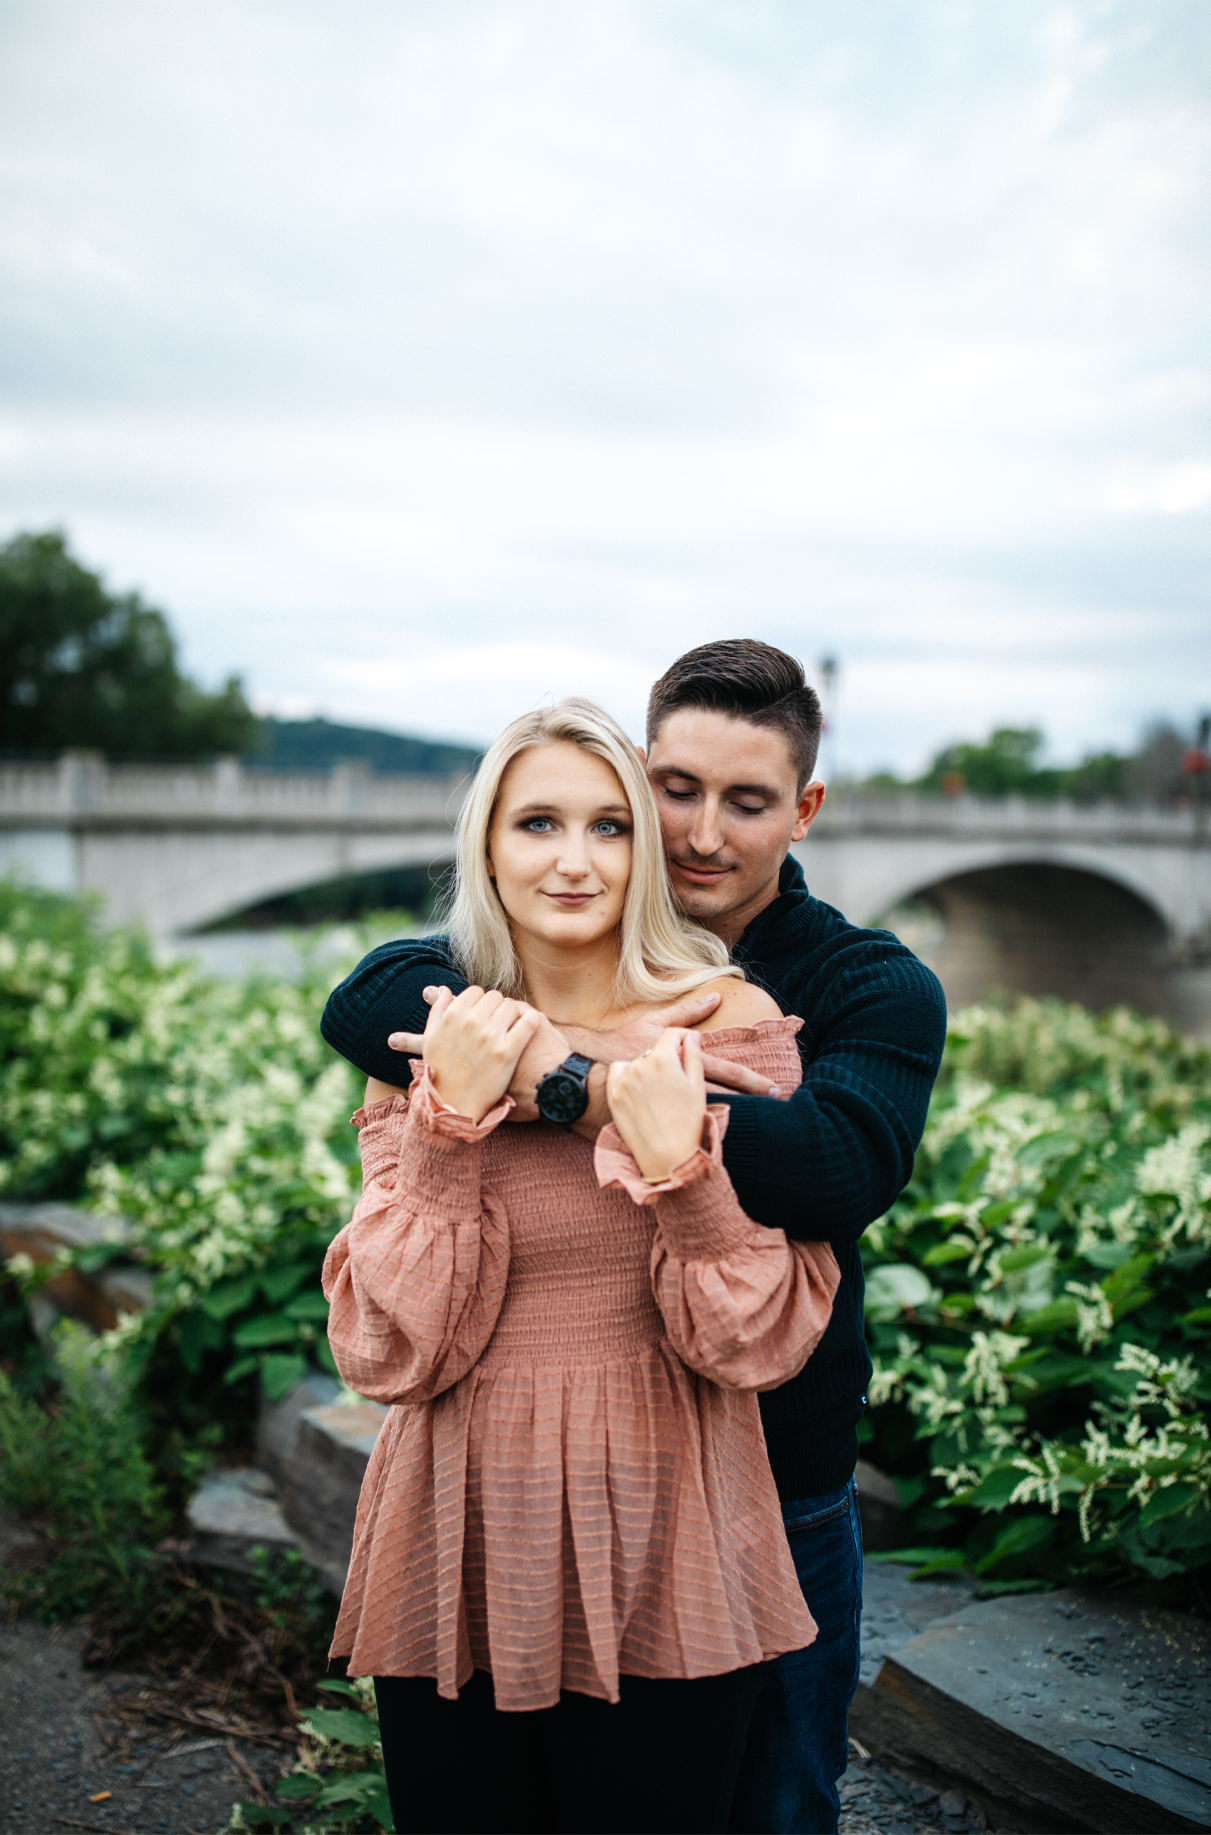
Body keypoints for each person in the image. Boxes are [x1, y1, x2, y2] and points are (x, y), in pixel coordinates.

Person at [321, 641, 949, 1834]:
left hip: (749, 1474)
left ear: (802, 808)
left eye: (747, 799)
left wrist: (582, 1088)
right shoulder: (447, 1004)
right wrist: (460, 1097)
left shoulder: (849, 989)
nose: (700, 831)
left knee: (776, 1803)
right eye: (671, 793)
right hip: (473, 1500)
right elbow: (363, 1004)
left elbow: (834, 1167)